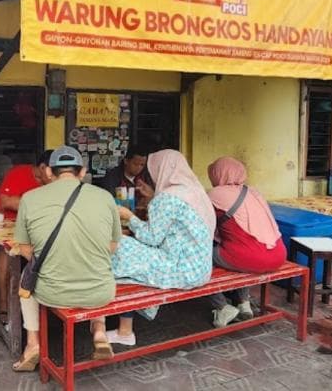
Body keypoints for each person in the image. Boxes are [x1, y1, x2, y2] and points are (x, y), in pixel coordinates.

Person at [12, 146, 121, 371]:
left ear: (49, 172)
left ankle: (33, 345)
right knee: (101, 265)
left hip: (53, 293)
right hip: (100, 292)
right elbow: (112, 247)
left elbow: (24, 249)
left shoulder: (29, 199)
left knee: (26, 276)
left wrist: (53, 257)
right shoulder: (105, 197)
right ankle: (99, 331)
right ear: (82, 173)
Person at [107, 149, 215, 346]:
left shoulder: (166, 198)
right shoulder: (196, 192)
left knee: (120, 246)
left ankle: (115, 321)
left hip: (182, 270)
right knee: (131, 255)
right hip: (202, 268)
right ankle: (125, 327)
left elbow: (151, 238)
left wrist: (129, 217)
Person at [207, 157, 286, 327]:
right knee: (241, 251)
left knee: (198, 258)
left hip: (250, 257)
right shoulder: (254, 192)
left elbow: (205, 226)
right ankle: (244, 304)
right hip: (277, 253)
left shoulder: (215, 195)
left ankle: (222, 307)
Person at [0, 150, 53, 321]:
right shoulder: (18, 172)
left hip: (34, 226)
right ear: (42, 168)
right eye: (51, 172)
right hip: (5, 223)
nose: (53, 176)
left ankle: (44, 300)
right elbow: (6, 201)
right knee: (7, 250)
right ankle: (2, 302)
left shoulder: (53, 182)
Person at [97, 144, 154, 211]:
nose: (139, 168)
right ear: (126, 161)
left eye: (142, 165)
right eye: (135, 164)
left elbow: (152, 197)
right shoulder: (112, 177)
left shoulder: (145, 176)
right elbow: (108, 202)